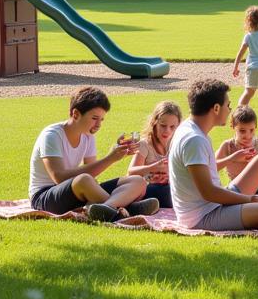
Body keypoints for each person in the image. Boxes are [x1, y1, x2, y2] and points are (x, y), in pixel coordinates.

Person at [167, 79, 258, 232]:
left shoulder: (192, 130)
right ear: (216, 108)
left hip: (214, 203)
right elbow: (208, 192)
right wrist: (250, 199)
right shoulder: (194, 139)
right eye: (228, 105)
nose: (229, 110)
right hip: (203, 216)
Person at [28, 86, 160, 220]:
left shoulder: (87, 136)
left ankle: (109, 208)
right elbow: (59, 178)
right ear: (76, 114)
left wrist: (115, 153)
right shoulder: (52, 135)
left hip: (75, 194)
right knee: (83, 180)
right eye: (94, 118)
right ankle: (128, 209)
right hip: (44, 197)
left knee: (138, 181)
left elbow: (92, 174)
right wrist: (110, 158)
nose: (98, 124)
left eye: (101, 119)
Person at [127, 101, 182, 208]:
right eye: (163, 126)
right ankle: (139, 206)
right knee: (163, 192)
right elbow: (131, 173)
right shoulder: (145, 144)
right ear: (154, 123)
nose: (167, 131)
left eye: (172, 127)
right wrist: (153, 168)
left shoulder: (178, 145)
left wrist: (169, 176)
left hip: (170, 189)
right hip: (148, 189)